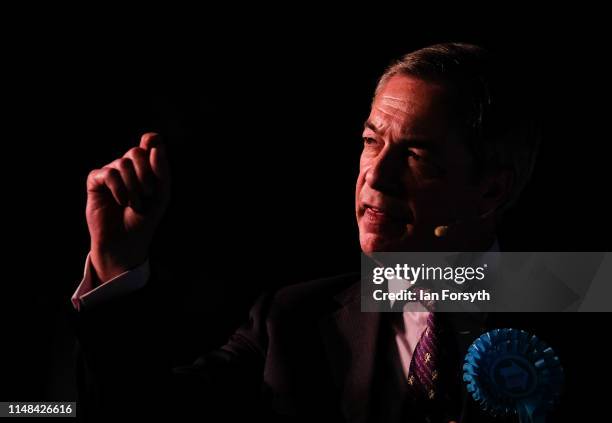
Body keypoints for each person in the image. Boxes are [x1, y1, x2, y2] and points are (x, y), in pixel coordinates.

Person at [71, 43, 540, 422]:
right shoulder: (291, 320)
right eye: (371, 143)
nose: (376, 177)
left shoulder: (581, 304)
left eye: (416, 156)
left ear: (491, 190)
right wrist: (118, 263)